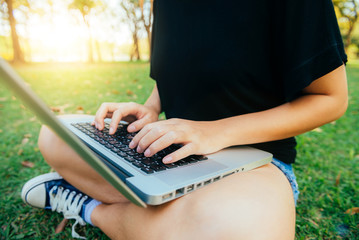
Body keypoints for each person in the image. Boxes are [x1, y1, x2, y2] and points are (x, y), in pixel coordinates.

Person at [21, 0, 348, 239]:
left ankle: (90, 208)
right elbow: (179, 71)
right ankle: (174, 212)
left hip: (255, 162)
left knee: (240, 232)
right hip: (168, 149)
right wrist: (150, 107)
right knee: (53, 136)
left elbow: (330, 99)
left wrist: (214, 132)